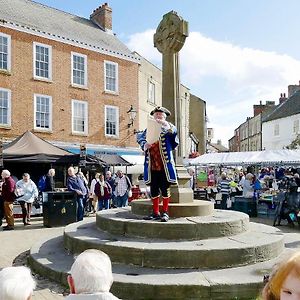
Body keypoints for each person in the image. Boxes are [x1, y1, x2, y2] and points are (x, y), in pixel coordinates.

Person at [137, 106, 178, 222]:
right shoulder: (148, 129)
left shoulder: (168, 128)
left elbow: (174, 133)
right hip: (152, 165)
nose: (158, 117)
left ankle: (165, 212)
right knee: (153, 190)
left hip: (164, 166)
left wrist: (165, 124)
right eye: (156, 115)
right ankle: (155, 212)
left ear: (164, 117)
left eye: (160, 115)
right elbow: (140, 138)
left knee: (165, 189)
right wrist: (144, 144)